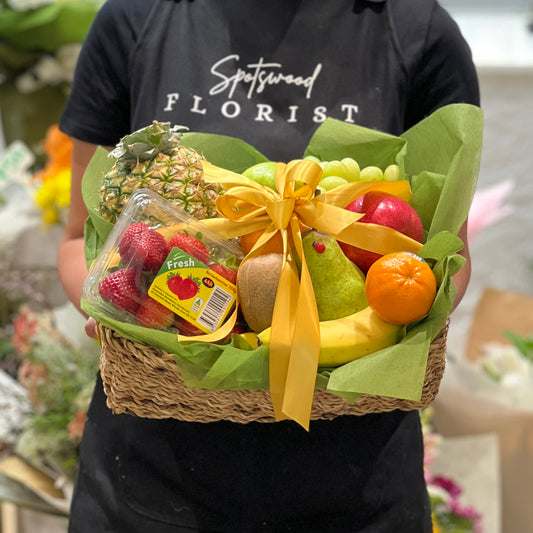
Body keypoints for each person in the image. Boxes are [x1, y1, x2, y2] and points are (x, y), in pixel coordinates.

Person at [57, 0, 480, 531]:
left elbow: (449, 256)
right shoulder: (133, 19)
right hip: (152, 473)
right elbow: (79, 239)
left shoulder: (417, 29)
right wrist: (112, 304)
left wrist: (403, 314)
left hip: (357, 479)